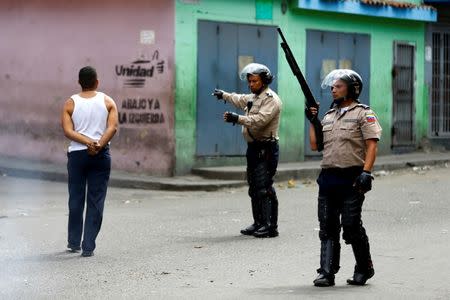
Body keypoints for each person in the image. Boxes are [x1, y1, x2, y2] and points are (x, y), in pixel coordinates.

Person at [307, 69, 382, 286]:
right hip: (328, 178)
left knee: (350, 226)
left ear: (352, 89)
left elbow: (371, 144)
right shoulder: (329, 115)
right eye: (332, 86)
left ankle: (364, 267)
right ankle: (326, 272)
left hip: (352, 179)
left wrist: (366, 172)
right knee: (328, 227)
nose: (333, 89)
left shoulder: (363, 113)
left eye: (338, 86)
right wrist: (313, 121)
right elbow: (315, 146)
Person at [212, 63, 282, 238]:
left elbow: (259, 120)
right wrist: (224, 96)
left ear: (264, 81)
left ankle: (270, 226)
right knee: (254, 187)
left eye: (255, 81)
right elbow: (239, 99)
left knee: (264, 187)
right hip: (254, 148)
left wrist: (238, 118)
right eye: (249, 81)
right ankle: (258, 222)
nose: (251, 84)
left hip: (266, 148)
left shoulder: (271, 100)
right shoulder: (254, 97)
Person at [61, 66, 118, 257]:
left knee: (76, 199)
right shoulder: (108, 101)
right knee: (96, 200)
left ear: (79, 82)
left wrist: (87, 142)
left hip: (77, 155)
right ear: (97, 82)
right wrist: (99, 144)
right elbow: (113, 127)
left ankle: (73, 242)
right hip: (100, 156)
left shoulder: (70, 103)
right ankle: (88, 247)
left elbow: (68, 131)